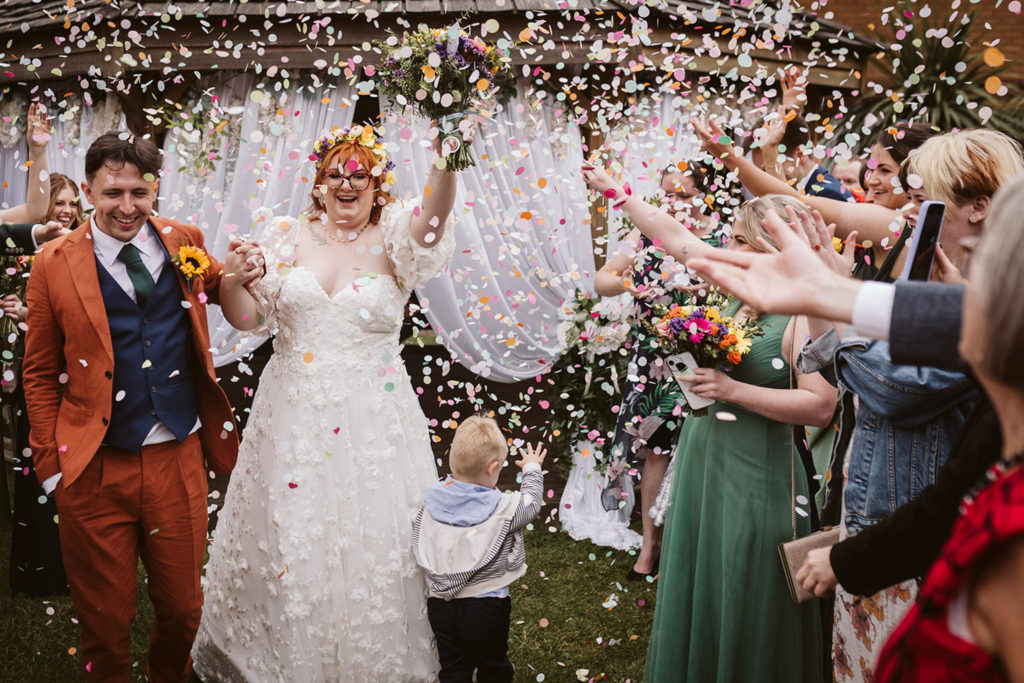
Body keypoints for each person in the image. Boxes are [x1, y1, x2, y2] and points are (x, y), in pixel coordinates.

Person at [192, 123, 464, 681]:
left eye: (360, 174)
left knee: (375, 542)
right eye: (335, 174)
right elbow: (248, 319)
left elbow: (433, 223)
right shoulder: (286, 236)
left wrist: (447, 160)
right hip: (292, 417)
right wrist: (233, 282)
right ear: (318, 182)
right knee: (292, 535)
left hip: (375, 420)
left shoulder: (396, 235)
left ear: (377, 184)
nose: (346, 183)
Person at [22, 131, 260, 682]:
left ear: (155, 189)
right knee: (105, 625)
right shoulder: (52, 262)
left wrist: (245, 267)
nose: (127, 206)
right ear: (88, 192)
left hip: (177, 455)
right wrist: (51, 466)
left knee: (184, 610)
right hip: (92, 464)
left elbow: (227, 291)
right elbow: (38, 372)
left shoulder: (184, 241)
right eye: (112, 193)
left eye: (139, 192)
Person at [584, 164, 836, 681]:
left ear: (773, 248)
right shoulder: (738, 291)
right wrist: (617, 192)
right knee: (704, 583)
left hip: (757, 477)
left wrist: (731, 390)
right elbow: (675, 236)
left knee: (747, 592)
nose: (727, 248)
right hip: (705, 465)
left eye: (739, 240)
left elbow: (820, 406)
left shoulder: (804, 312)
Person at [873, 172, 1024, 681]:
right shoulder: (1005, 479)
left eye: (983, 268)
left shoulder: (1014, 541)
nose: (963, 289)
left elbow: (895, 386)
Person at [595, 161, 725, 579]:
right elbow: (602, 280)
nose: (673, 202)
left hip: (704, 359)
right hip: (652, 363)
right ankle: (650, 546)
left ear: (705, 195)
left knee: (705, 450)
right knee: (657, 450)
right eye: (667, 194)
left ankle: (695, 546)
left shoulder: (722, 239)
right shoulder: (645, 233)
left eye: (682, 194)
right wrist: (625, 283)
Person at [694, 117, 937, 281]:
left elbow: (796, 203)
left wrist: (728, 156)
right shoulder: (904, 224)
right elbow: (787, 203)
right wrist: (770, 151)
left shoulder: (893, 224)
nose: (871, 180)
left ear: (916, 176)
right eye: (871, 169)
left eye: (884, 170)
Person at [411, 416, 546, 683]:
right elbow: (531, 503)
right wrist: (532, 468)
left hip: (441, 607)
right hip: (487, 607)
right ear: (492, 467)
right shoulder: (503, 510)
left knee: (453, 669)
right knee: (492, 665)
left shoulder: (430, 505)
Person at [7, 171, 87, 597]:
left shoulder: (86, 250)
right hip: (38, 371)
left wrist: (30, 316)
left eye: (73, 203)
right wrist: (18, 313)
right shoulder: (22, 253)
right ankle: (38, 566)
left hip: (78, 373)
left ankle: (80, 562)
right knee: (36, 460)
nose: (68, 211)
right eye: (60, 202)